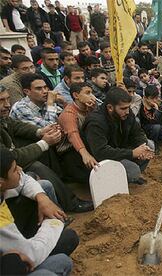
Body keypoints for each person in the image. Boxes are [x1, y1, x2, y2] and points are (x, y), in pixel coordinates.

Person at [0, 86, 93, 212]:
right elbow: (11, 157)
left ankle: (61, 187)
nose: (6, 105)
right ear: (27, 91)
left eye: (7, 99)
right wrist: (43, 143)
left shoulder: (3, 117)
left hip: (11, 159)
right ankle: (70, 203)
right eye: (1, 101)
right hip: (6, 167)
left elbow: (15, 125)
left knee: (44, 148)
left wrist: (40, 131)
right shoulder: (22, 107)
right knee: (37, 165)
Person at [0, 148, 77, 276]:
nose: (19, 169)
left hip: (14, 256)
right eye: (14, 170)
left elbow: (24, 178)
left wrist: (43, 198)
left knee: (64, 259)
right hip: (14, 263)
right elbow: (31, 255)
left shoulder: (4, 186)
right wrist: (53, 223)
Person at [83, 87, 154, 184]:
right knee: (133, 172)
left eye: (128, 107)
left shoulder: (127, 113)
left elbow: (138, 132)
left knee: (149, 145)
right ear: (110, 108)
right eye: (123, 108)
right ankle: (116, 181)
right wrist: (132, 153)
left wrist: (142, 146)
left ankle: (127, 177)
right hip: (100, 161)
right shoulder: (96, 122)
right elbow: (100, 152)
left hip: (119, 149)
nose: (128, 111)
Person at [57, 82, 98, 184]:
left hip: (87, 145)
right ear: (76, 95)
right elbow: (73, 134)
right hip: (70, 151)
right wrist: (85, 154)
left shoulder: (89, 109)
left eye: (92, 93)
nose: (92, 96)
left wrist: (94, 109)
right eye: (87, 93)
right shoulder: (69, 113)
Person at [139, 85, 162, 154]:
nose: (154, 100)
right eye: (152, 98)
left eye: (156, 98)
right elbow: (152, 121)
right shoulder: (142, 107)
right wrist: (156, 110)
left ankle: (157, 138)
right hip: (146, 128)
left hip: (157, 126)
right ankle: (154, 144)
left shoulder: (158, 101)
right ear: (145, 98)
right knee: (156, 127)